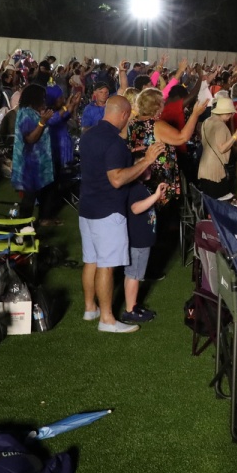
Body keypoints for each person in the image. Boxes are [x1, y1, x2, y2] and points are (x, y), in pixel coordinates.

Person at [78, 95, 165, 334]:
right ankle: (107, 319)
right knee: (106, 266)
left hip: (87, 207)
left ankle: (90, 308)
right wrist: (146, 161)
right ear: (125, 115)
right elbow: (116, 179)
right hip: (107, 211)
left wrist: (132, 157)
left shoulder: (88, 136)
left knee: (91, 261)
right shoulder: (114, 142)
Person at [127, 87, 207, 206]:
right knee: (166, 212)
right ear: (156, 105)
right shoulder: (156, 125)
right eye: (162, 102)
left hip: (140, 174)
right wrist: (195, 114)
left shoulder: (132, 122)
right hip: (159, 179)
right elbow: (182, 138)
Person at [120, 181, 166, 324]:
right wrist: (156, 196)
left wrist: (156, 197)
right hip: (138, 240)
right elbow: (135, 208)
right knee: (134, 275)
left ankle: (132, 305)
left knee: (132, 274)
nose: (149, 170)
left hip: (139, 239)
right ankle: (130, 311)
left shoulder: (139, 186)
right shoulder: (135, 187)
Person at [11, 84, 56, 220]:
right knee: (29, 197)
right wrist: (42, 122)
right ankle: (23, 225)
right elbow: (30, 138)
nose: (44, 100)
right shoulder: (25, 113)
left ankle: (44, 219)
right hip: (29, 163)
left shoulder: (33, 112)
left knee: (45, 191)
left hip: (39, 161)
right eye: (42, 97)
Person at [197, 97, 237, 199]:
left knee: (208, 202)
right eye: (230, 113)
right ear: (226, 113)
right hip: (215, 171)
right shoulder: (221, 126)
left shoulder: (207, 121)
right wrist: (236, 134)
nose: (231, 116)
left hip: (204, 167)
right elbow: (222, 148)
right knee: (218, 203)